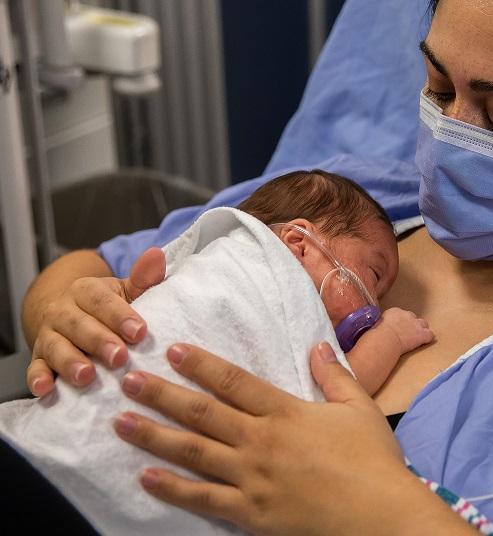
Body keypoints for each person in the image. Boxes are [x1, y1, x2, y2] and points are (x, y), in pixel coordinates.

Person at [17, 0, 493, 534]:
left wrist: (387, 514)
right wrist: (58, 308)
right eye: (437, 88)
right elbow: (95, 267)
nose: (450, 134)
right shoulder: (350, 199)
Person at [0, 169, 437, 534]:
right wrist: (392, 338)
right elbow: (342, 389)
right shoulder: (262, 267)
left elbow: (320, 434)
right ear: (299, 242)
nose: (375, 308)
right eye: (374, 275)